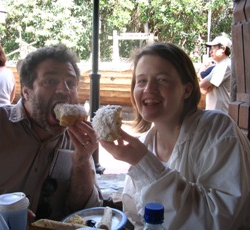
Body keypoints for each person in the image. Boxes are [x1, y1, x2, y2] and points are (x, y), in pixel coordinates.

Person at [0, 44, 103, 229]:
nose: (64, 90)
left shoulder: (77, 140)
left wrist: (82, 161)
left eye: (71, 83)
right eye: (50, 81)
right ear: (26, 91)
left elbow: (86, 212)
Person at [99, 42, 250, 229]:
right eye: (141, 81)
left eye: (162, 80)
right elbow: (136, 217)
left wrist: (143, 162)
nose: (148, 89)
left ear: (186, 90)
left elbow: (219, 221)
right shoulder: (146, 142)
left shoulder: (217, 131)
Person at [199, 35, 232, 113]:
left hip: (218, 114)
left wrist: (203, 85)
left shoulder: (224, 66)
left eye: (213, 47)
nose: (211, 51)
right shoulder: (222, 65)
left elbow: (202, 85)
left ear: (223, 49)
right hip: (217, 113)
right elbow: (205, 89)